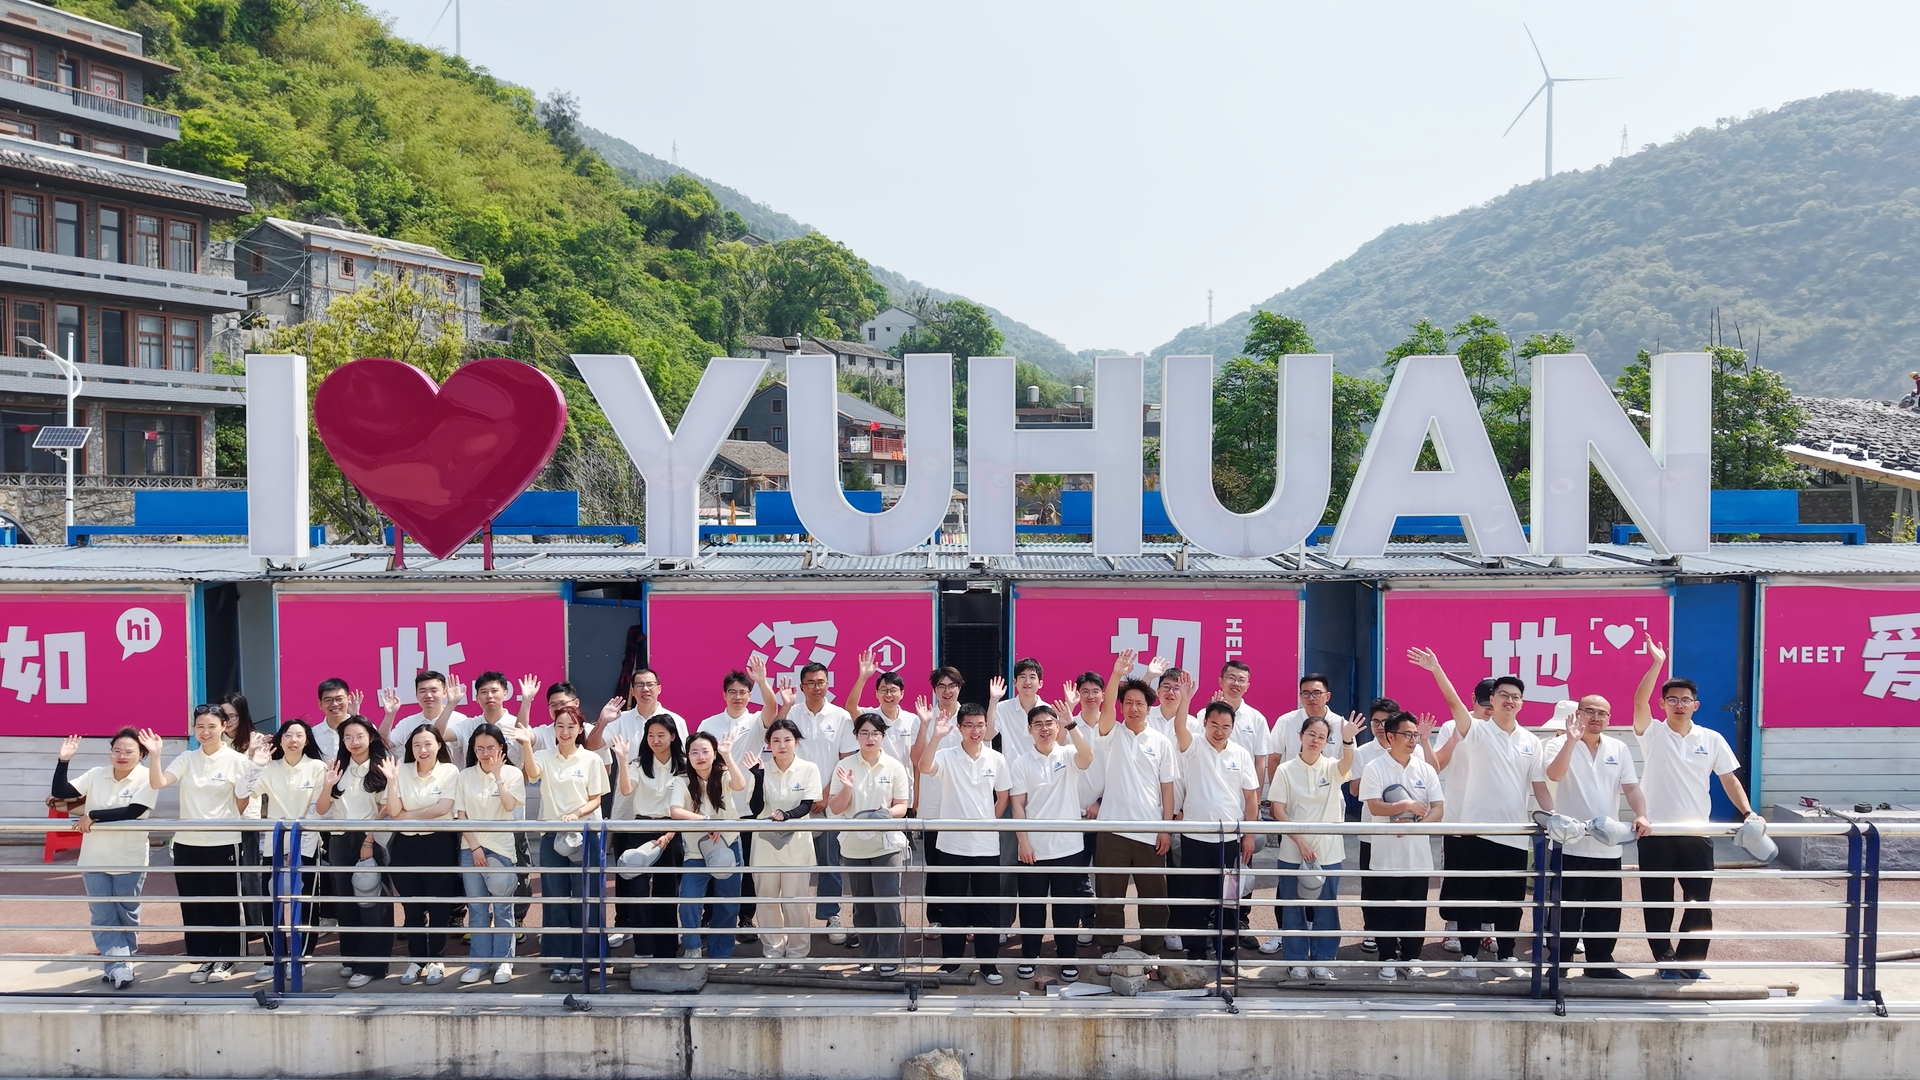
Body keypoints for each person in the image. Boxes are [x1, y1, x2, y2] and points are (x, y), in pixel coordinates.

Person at [1409, 648, 1554, 979]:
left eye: (1515, 696)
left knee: (1510, 902)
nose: (1509, 700)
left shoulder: (1531, 741)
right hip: (1475, 830)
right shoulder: (1475, 730)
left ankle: (1507, 956)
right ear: (1493, 699)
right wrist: (1436, 669)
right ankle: (1469, 956)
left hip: (1514, 833)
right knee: (1471, 897)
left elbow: (1540, 786)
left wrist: (1553, 814)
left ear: (1521, 702)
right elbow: (1453, 703)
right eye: (1503, 695)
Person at [1633, 637, 1764, 980]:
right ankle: (1664, 960)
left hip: (1696, 832)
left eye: (1685, 700)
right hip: (1656, 832)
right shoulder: (1652, 733)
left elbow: (1729, 779)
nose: (1679, 704)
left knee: (1698, 901)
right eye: (1672, 699)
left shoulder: (1711, 739)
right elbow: (1638, 701)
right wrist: (1657, 663)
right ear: (1662, 704)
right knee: (1658, 902)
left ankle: (1691, 962)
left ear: (1696, 705)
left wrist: (1748, 813)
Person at [144, 704, 255, 983]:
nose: (205, 732)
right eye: (200, 727)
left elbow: (243, 802)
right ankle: (206, 958)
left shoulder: (237, 760)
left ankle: (228, 958)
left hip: (224, 843)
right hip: (187, 843)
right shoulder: (187, 758)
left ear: (224, 727)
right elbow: (159, 783)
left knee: (225, 904)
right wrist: (155, 755)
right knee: (195, 904)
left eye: (211, 726)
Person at [1543, 694, 1651, 980]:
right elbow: (1554, 775)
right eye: (1589, 711)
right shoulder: (1557, 743)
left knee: (1605, 910)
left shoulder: (1619, 747)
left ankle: (1600, 964)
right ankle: (1559, 965)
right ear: (1577, 713)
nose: (1595, 717)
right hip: (1569, 845)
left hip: (1607, 845)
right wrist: (1571, 741)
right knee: (1564, 910)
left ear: (1609, 718)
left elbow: (1631, 788)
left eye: (1602, 713)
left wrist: (1641, 814)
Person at [1089, 649, 1178, 962]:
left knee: (1154, 899)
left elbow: (1167, 789)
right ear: (1121, 706)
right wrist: (1116, 673)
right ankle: (1109, 951)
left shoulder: (1161, 742)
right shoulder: (1112, 733)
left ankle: (1151, 951)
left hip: (1150, 833)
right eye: (1128, 703)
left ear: (1149, 708)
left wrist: (1166, 829)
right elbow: (1107, 708)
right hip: (1112, 830)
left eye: (1140, 703)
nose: (1134, 708)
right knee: (1109, 897)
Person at [915, 701, 1011, 983]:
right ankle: (951, 962)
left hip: (986, 846)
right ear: (959, 728)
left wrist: (986, 822)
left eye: (980, 725)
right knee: (952, 906)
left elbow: (1003, 796)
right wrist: (936, 735)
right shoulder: (947, 756)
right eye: (969, 725)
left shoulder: (996, 759)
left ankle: (988, 965)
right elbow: (924, 766)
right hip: (951, 845)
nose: (975, 730)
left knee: (987, 908)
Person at [51, 728, 153, 989]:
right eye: (117, 750)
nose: (122, 755)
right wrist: (64, 760)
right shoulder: (97, 774)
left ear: (141, 754)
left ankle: (123, 962)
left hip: (129, 859)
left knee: (127, 914)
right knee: (102, 915)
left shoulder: (147, 777)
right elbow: (61, 791)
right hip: (94, 858)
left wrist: (93, 815)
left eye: (128, 751)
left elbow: (134, 811)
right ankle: (118, 965)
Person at [1266, 712, 1362, 977]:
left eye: (1322, 737)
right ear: (1301, 736)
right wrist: (1299, 841)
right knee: (1292, 907)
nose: (1315, 740)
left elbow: (1347, 763)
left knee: (1326, 907)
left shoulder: (1331, 767)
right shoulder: (1285, 769)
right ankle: (1296, 959)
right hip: (1292, 851)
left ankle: (1323, 959)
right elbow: (1278, 810)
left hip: (1328, 852)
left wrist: (1347, 741)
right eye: (1311, 734)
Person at [1171, 700, 1263, 966]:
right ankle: (1196, 951)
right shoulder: (1193, 746)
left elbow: (1251, 799)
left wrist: (1248, 835)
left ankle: (1227, 951)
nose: (1219, 731)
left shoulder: (1241, 754)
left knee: (1229, 899)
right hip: (1195, 838)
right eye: (1214, 725)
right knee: (1195, 898)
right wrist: (1185, 698)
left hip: (1230, 840)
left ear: (1232, 727)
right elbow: (1179, 727)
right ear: (1205, 724)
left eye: (1225, 726)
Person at [1008, 702, 1094, 982]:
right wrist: (1023, 842)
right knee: (1031, 907)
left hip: (1068, 847)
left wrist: (1072, 725)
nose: (1044, 729)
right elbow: (1018, 805)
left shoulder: (1068, 754)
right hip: (1033, 849)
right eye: (1038, 725)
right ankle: (1030, 956)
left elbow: (1088, 757)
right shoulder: (1021, 763)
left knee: (1066, 908)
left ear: (1057, 727)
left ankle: (1067, 958)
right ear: (1029, 730)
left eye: (1049, 723)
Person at [238, 719, 327, 980]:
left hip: (306, 843)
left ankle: (301, 957)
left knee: (306, 903)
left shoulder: (317, 767)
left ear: (307, 740)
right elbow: (243, 793)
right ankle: (272, 957)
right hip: (273, 845)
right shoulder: (270, 767)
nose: (293, 740)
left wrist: (297, 847)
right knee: (271, 904)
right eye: (288, 735)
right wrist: (255, 765)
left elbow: (316, 809)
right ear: (281, 739)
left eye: (299, 735)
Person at [525, 704, 609, 982]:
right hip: (552, 836)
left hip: (584, 835)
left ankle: (584, 960)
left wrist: (577, 813)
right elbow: (532, 773)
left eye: (571, 726)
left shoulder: (591, 759)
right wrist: (525, 744)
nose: (565, 731)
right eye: (560, 726)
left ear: (580, 729)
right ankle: (560, 960)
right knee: (555, 898)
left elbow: (596, 798)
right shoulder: (544, 756)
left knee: (584, 898)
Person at [1360, 711, 1446, 981]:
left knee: (1415, 910)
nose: (1412, 739)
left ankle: (1412, 957)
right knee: (1385, 909)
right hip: (1385, 855)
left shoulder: (1425, 768)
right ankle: (1386, 958)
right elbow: (1375, 806)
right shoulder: (1375, 767)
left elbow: (1439, 808)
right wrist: (1404, 805)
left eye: (1415, 735)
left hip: (1418, 857)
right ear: (1390, 736)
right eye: (1406, 734)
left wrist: (1416, 827)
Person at [828, 712, 912, 976]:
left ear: (883, 736)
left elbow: (903, 806)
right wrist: (847, 788)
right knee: (863, 904)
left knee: (887, 902)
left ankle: (890, 957)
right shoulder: (845, 766)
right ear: (856, 736)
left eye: (875, 733)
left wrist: (886, 813)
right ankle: (868, 955)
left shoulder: (894, 766)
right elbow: (835, 807)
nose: (870, 738)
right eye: (864, 733)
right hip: (854, 846)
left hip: (887, 845)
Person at [314, 716, 394, 987]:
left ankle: (372, 965)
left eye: (359, 736)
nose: (354, 742)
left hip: (370, 839)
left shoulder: (381, 767)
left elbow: (385, 809)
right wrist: (327, 784)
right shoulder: (338, 767)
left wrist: (368, 841)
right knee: (345, 902)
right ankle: (351, 958)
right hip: (339, 839)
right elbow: (322, 809)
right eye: (347, 737)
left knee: (372, 903)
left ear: (370, 737)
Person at [781, 662, 853, 944]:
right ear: (801, 687)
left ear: (828, 684)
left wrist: (825, 792)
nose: (816, 687)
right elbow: (778, 746)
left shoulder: (841, 716)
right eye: (810, 682)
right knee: (792, 864)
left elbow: (845, 759)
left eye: (820, 682)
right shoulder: (792, 714)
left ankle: (831, 915)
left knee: (829, 862)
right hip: (794, 802)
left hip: (827, 801)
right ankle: (792, 920)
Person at [382, 723, 460, 985]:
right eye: (416, 745)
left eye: (428, 744)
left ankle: (437, 959)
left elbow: (442, 808)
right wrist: (392, 782)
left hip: (439, 845)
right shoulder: (401, 770)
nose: (422, 749)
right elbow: (394, 811)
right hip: (405, 846)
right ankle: (416, 959)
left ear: (439, 745)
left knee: (439, 907)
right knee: (412, 908)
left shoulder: (449, 771)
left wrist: (407, 816)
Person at [609, 715, 687, 965]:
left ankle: (666, 949)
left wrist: (669, 834)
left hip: (672, 830)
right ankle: (643, 948)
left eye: (661, 735)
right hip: (641, 827)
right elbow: (626, 790)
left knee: (667, 891)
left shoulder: (684, 765)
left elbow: (687, 803)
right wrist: (622, 759)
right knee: (638, 890)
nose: (655, 740)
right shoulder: (638, 764)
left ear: (673, 736)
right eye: (651, 735)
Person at [669, 730, 751, 969]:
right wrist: (707, 821)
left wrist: (728, 755)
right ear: (688, 756)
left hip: (729, 846)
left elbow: (740, 784)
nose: (700, 756)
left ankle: (720, 954)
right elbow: (675, 811)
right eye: (694, 752)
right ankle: (692, 947)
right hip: (696, 853)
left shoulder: (723, 774)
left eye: (705, 751)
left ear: (714, 753)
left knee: (727, 903)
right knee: (689, 901)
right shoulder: (682, 781)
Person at [745, 719, 822, 967]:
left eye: (787, 740)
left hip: (797, 848)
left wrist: (786, 815)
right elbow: (755, 808)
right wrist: (758, 778)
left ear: (796, 742)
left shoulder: (808, 768)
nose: (782, 745)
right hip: (764, 848)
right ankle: (772, 951)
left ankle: (798, 953)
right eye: (776, 740)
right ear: (768, 743)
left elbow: (807, 805)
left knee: (796, 902)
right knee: (766, 901)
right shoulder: (761, 768)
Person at [455, 722, 526, 984]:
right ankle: (479, 962)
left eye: (491, 748)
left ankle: (504, 962)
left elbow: (509, 806)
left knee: (503, 907)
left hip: (501, 849)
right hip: (470, 848)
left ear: (501, 748)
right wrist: (474, 847)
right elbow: (461, 816)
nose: (486, 753)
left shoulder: (512, 773)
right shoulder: (465, 776)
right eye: (480, 748)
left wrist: (498, 777)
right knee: (477, 907)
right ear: (473, 750)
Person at [1343, 698, 1404, 955]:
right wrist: (1376, 774)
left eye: (1385, 722)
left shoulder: (1409, 748)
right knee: (1372, 884)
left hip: (1403, 831)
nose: (1379, 727)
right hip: (1372, 830)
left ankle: (1398, 932)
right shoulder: (1363, 752)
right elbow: (1354, 790)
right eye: (1375, 722)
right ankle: (1372, 930)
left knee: (1400, 883)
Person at [840, 653, 920, 803]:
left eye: (893, 690)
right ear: (877, 694)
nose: (888, 694)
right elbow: (851, 707)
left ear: (902, 693)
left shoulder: (913, 720)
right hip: (875, 791)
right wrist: (863, 677)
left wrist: (917, 795)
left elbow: (916, 761)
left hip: (904, 790)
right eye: (883, 690)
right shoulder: (869, 716)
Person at [1272, 674, 1348, 768]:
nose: (1311, 698)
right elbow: (1274, 758)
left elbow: (1348, 763)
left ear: (1327, 696)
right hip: (1292, 777)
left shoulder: (1342, 726)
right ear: (1300, 697)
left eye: (1316, 693)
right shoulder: (1285, 722)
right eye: (1306, 693)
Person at [377, 670, 467, 750]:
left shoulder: (460, 720)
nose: (428, 695)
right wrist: (389, 715)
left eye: (434, 691)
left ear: (444, 693)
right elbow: (382, 745)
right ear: (416, 695)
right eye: (423, 691)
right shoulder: (407, 724)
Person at [312, 678, 362, 763]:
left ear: (349, 699)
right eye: (328, 700)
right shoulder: (313, 734)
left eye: (339, 699)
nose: (335, 704)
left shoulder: (365, 729)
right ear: (320, 704)